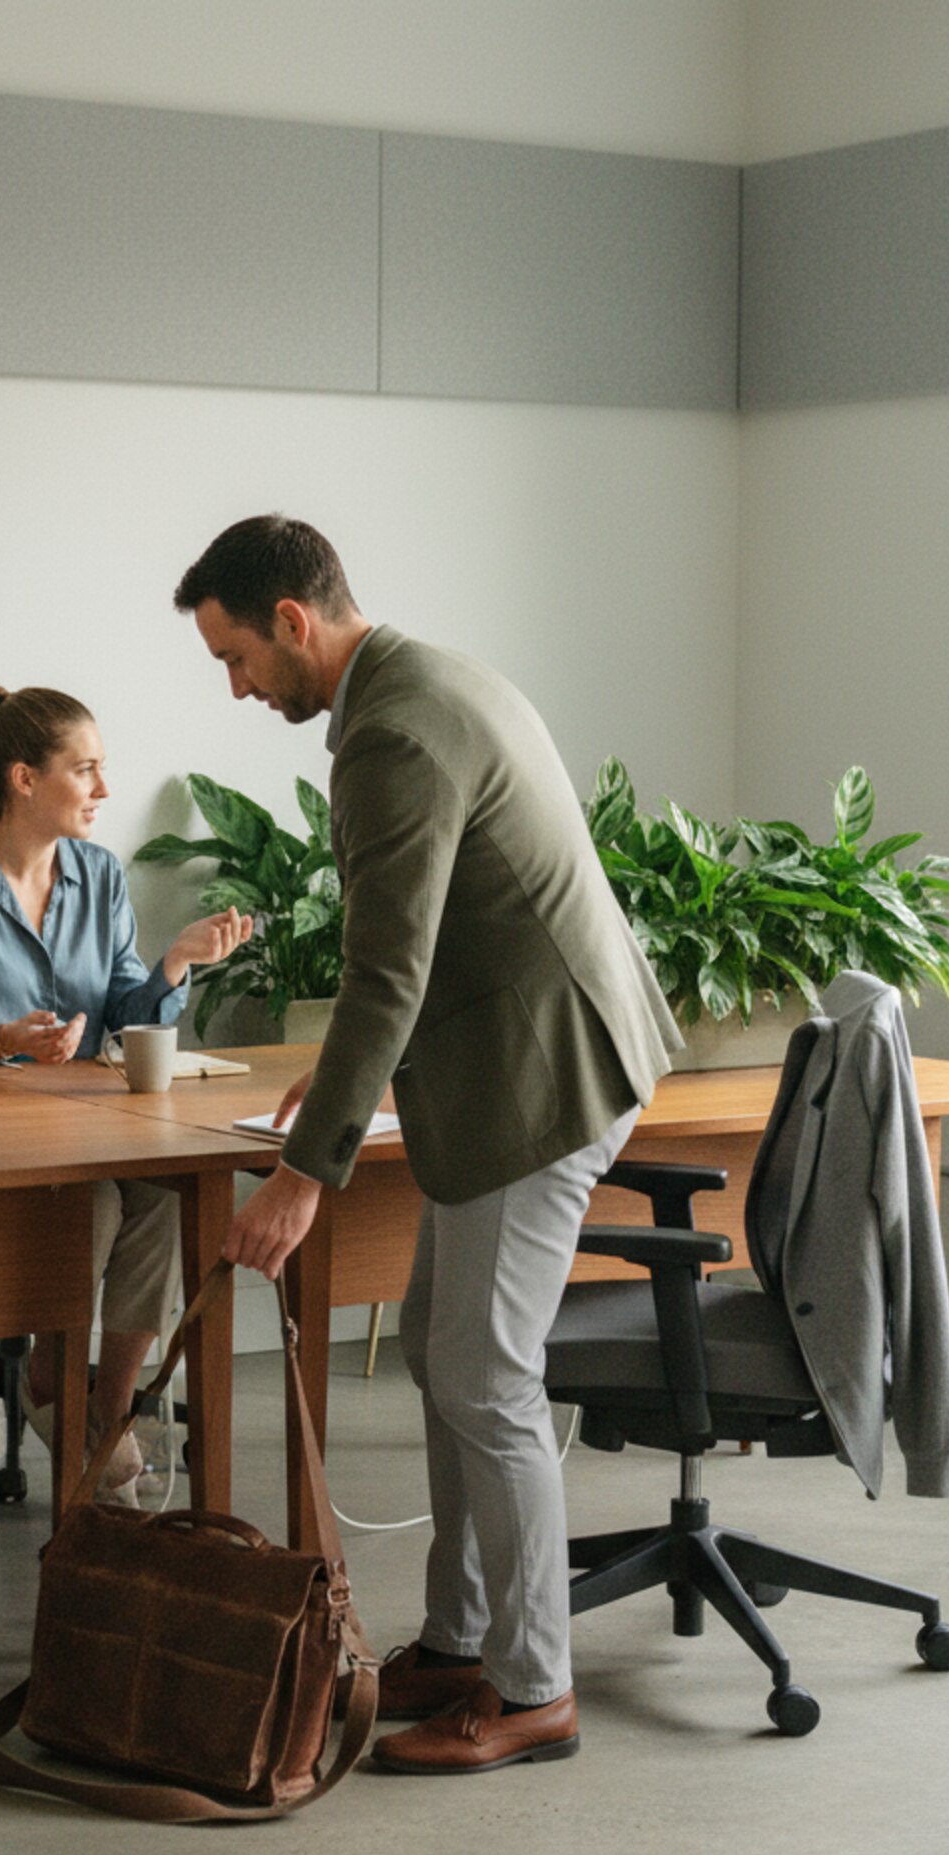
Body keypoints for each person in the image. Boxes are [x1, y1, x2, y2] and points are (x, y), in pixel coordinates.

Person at [174, 515, 682, 1774]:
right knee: (434, 1347)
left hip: (541, 1074)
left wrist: (306, 1177)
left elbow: (389, 965)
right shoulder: (428, 675)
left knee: (484, 1374)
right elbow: (409, 946)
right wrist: (326, 1077)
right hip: (530, 1046)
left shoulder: (390, 733)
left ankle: (532, 1685)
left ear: (293, 621)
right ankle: (458, 1639)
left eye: (236, 657)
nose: (236, 687)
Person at [0, 687, 249, 1494]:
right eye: (85, 769)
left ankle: (109, 1412)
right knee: (95, 1205)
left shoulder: (99, 873)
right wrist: (0, 1040)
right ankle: (56, 1386)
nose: (103, 788)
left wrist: (175, 963)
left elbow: (125, 1010)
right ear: (25, 777)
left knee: (162, 1196)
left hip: (96, 1125)